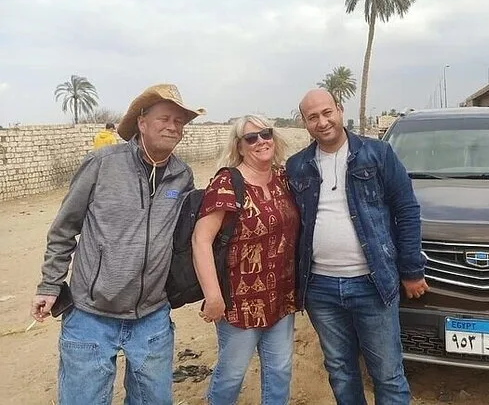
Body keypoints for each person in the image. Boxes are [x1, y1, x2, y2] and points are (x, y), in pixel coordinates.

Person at [30, 83, 205, 405]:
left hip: (152, 317)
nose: (173, 127)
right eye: (164, 118)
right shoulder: (102, 163)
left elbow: (184, 239)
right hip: (90, 315)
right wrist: (50, 284)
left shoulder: (182, 176)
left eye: (179, 121)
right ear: (142, 123)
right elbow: (65, 228)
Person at [286, 89, 428, 405]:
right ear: (304, 123)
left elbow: (406, 209)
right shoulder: (297, 166)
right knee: (340, 371)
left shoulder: (378, 154)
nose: (322, 122)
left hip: (372, 283)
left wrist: (411, 269)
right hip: (320, 288)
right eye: (313, 117)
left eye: (327, 112)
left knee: (387, 374)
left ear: (340, 110)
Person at [192, 115, 299, 405]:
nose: (261, 141)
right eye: (251, 138)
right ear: (239, 147)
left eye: (266, 134)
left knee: (280, 371)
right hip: (240, 301)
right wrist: (213, 296)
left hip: (281, 297)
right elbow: (201, 240)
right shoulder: (227, 183)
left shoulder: (283, 179)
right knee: (232, 374)